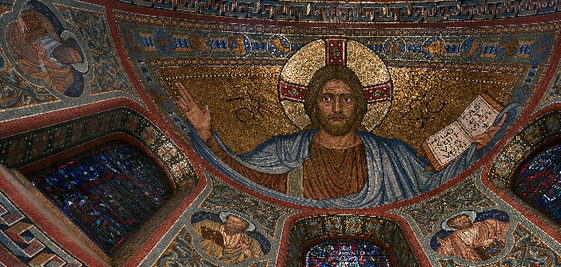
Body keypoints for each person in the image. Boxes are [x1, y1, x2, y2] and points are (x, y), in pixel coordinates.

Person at [177, 64, 513, 208]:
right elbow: (244, 175)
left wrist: (474, 151)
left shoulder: (392, 154)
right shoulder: (284, 150)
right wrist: (207, 137)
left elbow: (430, 185)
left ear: (360, 106)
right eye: (327, 98)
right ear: (313, 106)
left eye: (346, 99)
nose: (337, 107)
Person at [5, 2, 84, 96]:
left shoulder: (65, 75)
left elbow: (53, 88)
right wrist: (18, 17)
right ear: (68, 45)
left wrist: (41, 61)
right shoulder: (49, 30)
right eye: (75, 54)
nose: (72, 59)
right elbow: (25, 7)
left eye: (75, 61)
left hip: (21, 51)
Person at [436, 213, 509, 262]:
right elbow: (441, 258)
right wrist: (448, 248)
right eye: (459, 221)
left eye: (465, 218)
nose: (464, 221)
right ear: (452, 225)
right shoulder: (451, 239)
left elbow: (507, 228)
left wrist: (495, 238)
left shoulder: (488, 223)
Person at [193, 213, 262, 263]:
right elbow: (192, 230)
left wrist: (247, 252)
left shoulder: (251, 243)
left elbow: (258, 261)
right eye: (229, 220)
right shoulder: (209, 225)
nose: (231, 223)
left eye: (236, 222)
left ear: (243, 226)